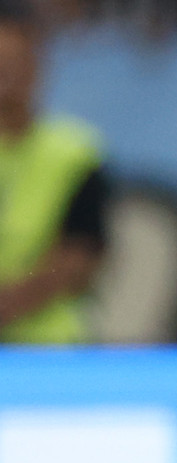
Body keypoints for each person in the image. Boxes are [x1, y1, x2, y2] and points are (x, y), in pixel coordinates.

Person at [0, 18, 111, 345]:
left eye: (15, 63)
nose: (6, 75)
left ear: (38, 69)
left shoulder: (76, 152)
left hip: (51, 347)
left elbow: (78, 259)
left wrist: (7, 307)